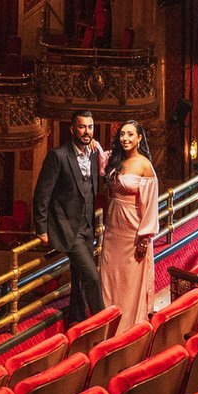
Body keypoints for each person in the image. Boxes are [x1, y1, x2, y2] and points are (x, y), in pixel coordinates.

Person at [32, 112, 108, 324]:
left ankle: (76, 320)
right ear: (72, 129)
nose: (87, 132)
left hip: (87, 228)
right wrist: (41, 229)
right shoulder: (58, 156)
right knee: (92, 276)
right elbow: (42, 194)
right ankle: (102, 324)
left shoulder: (93, 155)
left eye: (90, 127)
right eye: (82, 127)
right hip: (68, 228)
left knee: (79, 278)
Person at [99, 120, 160, 330]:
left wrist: (145, 238)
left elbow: (150, 204)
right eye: (122, 134)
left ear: (139, 138)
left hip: (133, 232)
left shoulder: (144, 165)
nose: (125, 138)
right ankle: (108, 324)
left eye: (130, 134)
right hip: (113, 229)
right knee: (109, 276)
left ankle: (128, 328)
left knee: (129, 281)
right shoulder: (115, 160)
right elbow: (99, 161)